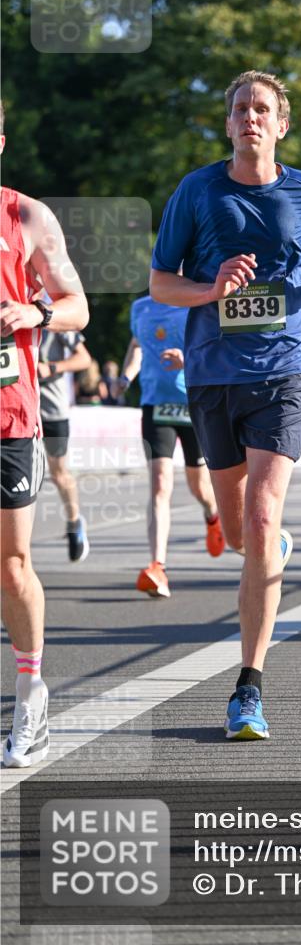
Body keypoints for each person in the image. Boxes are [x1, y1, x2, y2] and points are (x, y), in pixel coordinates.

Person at [150, 70, 301, 739]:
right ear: (228, 124)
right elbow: (159, 283)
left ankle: (247, 690)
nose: (251, 117)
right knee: (238, 536)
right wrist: (210, 289)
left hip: (292, 366)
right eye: (240, 109)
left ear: (280, 125)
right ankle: (263, 545)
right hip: (214, 372)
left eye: (262, 108)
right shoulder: (196, 191)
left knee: (261, 520)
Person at [1, 103, 89, 767]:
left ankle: (31, 696)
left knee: (11, 564)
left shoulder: (26, 215)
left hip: (8, 410)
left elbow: (77, 303)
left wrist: (31, 309)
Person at [115, 295, 225, 598]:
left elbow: (216, 349)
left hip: (192, 404)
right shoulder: (140, 307)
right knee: (160, 485)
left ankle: (212, 513)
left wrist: (187, 360)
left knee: (198, 486)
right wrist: (126, 376)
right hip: (155, 406)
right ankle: (157, 566)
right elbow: (136, 346)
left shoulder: (196, 303)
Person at [38, 325, 92, 561]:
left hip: (52, 411)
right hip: (18, 410)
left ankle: (74, 522)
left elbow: (84, 359)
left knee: (58, 472)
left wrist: (51, 368)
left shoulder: (54, 320)